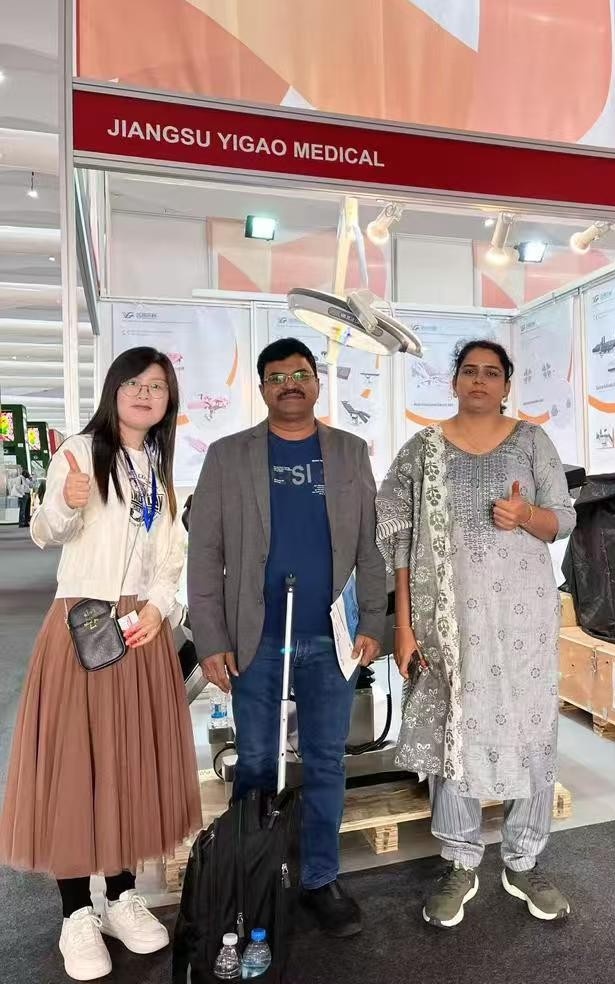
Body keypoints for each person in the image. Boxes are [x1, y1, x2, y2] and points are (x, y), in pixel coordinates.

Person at [0, 347, 202, 981]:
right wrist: (65, 500)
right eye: (134, 383)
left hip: (139, 634)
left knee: (126, 761)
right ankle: (74, 913)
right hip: (82, 628)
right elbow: (46, 532)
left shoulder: (159, 469)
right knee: (73, 765)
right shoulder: (80, 452)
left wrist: (160, 608)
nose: (145, 393)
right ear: (114, 389)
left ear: (169, 401)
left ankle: (119, 896)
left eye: (157, 386)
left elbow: (170, 559)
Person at [188, 337, 387, 938]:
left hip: (330, 639)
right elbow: (206, 554)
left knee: (326, 761)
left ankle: (321, 880)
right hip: (254, 638)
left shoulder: (350, 452)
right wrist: (210, 638)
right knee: (254, 762)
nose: (290, 385)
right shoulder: (228, 456)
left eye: (300, 374)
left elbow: (370, 546)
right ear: (262, 388)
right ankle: (249, 879)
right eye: (276, 377)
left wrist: (373, 621)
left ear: (317, 384)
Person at [376, 340, 576, 929]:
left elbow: (563, 518)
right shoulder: (423, 450)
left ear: (507, 385)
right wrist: (404, 627)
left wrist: (526, 516)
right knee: (454, 729)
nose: (480, 381)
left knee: (531, 729)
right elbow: (398, 541)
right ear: (455, 381)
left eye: (492, 373)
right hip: (448, 622)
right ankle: (459, 860)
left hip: (523, 621)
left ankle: (524, 860)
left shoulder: (532, 441)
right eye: (470, 371)